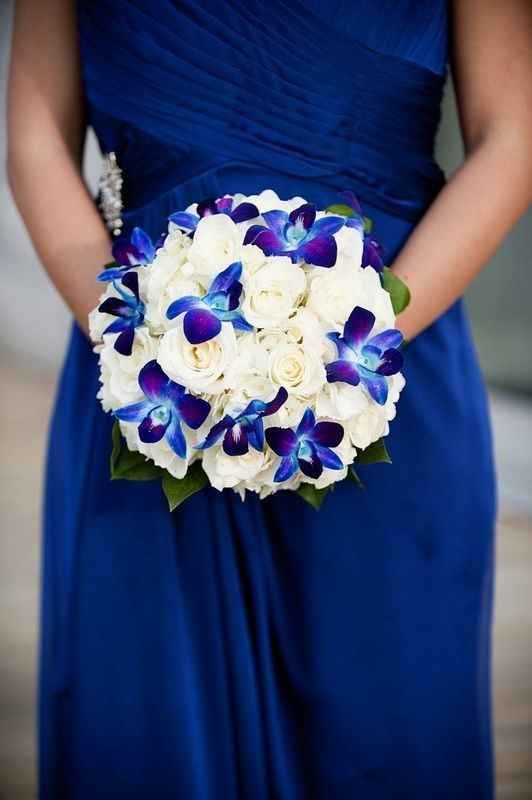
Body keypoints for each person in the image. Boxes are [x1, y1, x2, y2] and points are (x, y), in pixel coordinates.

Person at [7, 1, 532, 798]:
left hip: (385, 378)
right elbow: (36, 134)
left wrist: (346, 353)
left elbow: (512, 135)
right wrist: (142, 347)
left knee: (386, 734)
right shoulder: (145, 362)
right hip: (150, 397)